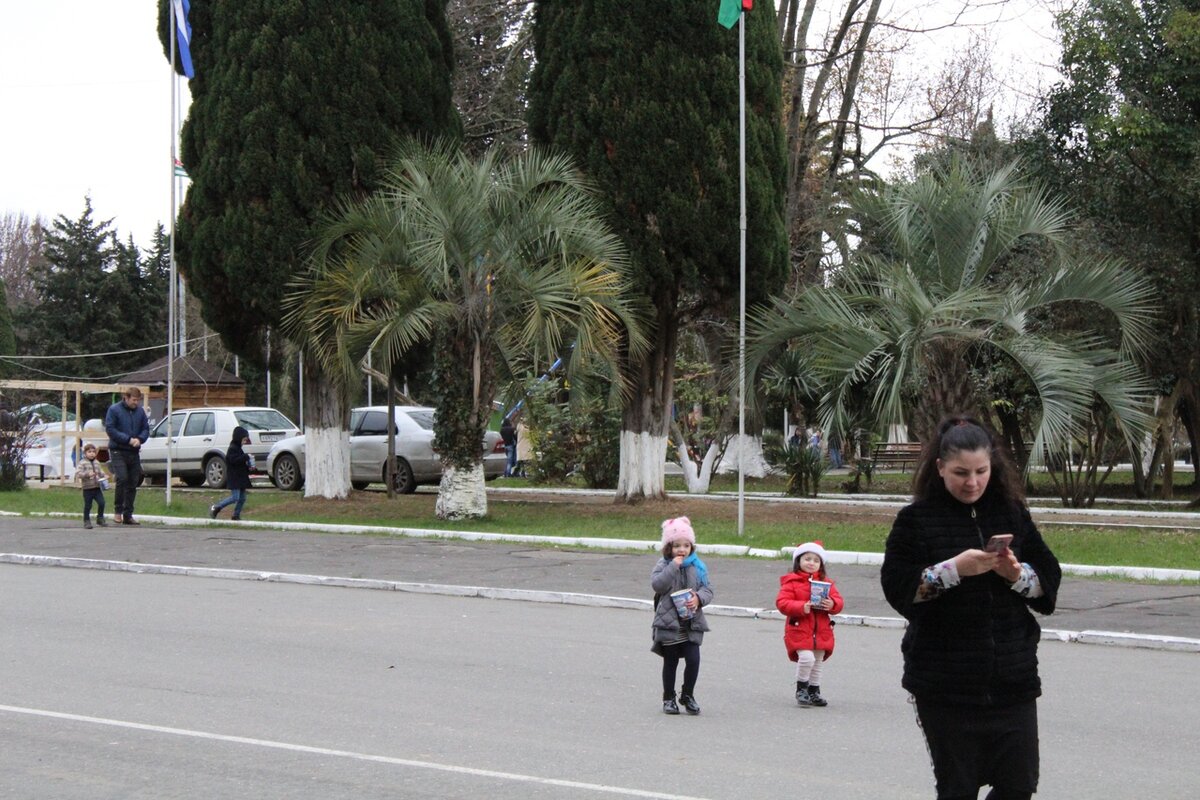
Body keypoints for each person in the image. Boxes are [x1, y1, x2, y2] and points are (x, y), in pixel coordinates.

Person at [881, 416, 1061, 800]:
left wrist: (1017, 575)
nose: (972, 482)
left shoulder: (1011, 512)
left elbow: (1048, 582)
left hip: (1013, 681)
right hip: (945, 686)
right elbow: (899, 590)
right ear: (940, 468)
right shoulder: (915, 521)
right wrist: (954, 570)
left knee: (1019, 785)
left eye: (981, 471)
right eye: (961, 472)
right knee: (958, 790)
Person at [650, 516, 713, 716]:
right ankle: (668, 697)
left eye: (686, 545)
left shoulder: (698, 567)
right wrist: (673, 566)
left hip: (691, 623)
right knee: (671, 662)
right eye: (677, 545)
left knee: (694, 659)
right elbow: (658, 585)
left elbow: (708, 589)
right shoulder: (663, 564)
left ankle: (687, 695)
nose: (682, 550)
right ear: (669, 547)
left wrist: (699, 599)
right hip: (669, 624)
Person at [776, 540, 844, 707]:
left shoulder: (827, 583)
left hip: (821, 629)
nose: (811, 563)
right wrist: (801, 607)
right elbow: (782, 603)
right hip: (799, 628)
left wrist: (832, 604)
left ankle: (814, 690)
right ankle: (801, 688)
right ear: (798, 561)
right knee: (806, 658)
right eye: (807, 559)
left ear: (821, 564)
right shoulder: (791, 582)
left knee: (818, 661)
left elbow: (839, 601)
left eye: (816, 560)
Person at [104, 387, 150, 525]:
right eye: (134, 400)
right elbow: (110, 429)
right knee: (122, 478)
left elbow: (145, 429)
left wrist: (140, 439)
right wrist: (127, 439)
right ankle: (118, 511)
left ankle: (128, 514)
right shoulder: (114, 410)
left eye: (138, 400)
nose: (136, 403)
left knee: (133, 482)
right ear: (126, 397)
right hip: (118, 449)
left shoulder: (140, 412)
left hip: (134, 451)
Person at [210, 427, 252, 520]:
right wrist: (245, 457)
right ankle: (216, 507)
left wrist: (249, 466)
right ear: (238, 438)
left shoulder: (239, 448)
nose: (245, 442)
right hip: (235, 477)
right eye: (244, 439)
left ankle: (236, 515)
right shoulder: (232, 449)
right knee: (235, 497)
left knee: (242, 498)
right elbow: (233, 460)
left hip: (240, 477)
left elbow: (240, 462)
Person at [74, 442, 109, 529]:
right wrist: (87, 474)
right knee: (88, 505)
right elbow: (78, 473)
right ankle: (86, 520)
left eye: (93, 452)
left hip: (97, 487)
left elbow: (100, 472)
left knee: (102, 503)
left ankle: (100, 518)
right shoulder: (82, 463)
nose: (92, 454)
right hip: (87, 488)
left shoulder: (97, 462)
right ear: (85, 453)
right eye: (89, 452)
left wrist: (104, 476)